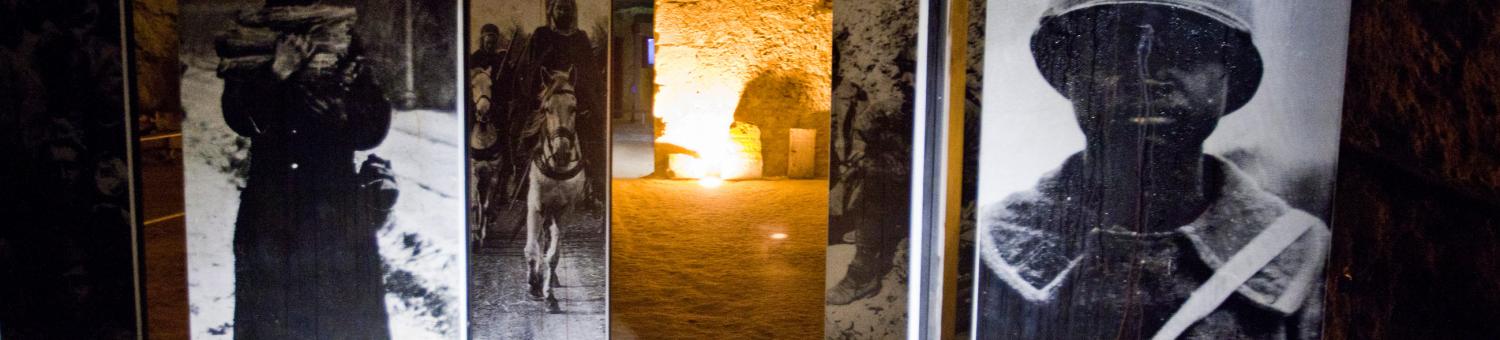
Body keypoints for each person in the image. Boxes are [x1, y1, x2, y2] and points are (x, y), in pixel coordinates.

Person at [975, 1, 1329, 339]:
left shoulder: (1303, 259)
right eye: (1115, 46)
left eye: (1186, 45)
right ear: (1070, 72)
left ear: (1230, 74)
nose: (1147, 74)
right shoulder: (989, 252)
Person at [219, 0, 396, 338]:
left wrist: (345, 100)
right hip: (273, 215)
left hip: (336, 215)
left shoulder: (341, 38)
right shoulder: (256, 40)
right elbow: (240, 118)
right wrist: (277, 71)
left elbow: (371, 133)